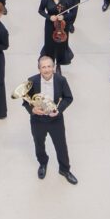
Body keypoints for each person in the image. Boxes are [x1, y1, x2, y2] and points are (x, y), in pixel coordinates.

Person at [23, 55, 76, 184]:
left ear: (53, 67)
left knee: (61, 145)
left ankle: (64, 169)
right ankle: (43, 163)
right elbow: (25, 101)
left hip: (56, 120)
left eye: (49, 66)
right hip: (37, 120)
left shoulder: (61, 80)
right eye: (43, 67)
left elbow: (68, 98)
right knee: (39, 144)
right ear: (39, 68)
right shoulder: (31, 81)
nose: (46, 70)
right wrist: (32, 110)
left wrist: (59, 110)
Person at [39, 0, 73, 69]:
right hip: (50, 25)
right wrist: (49, 17)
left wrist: (64, 17)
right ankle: (50, 64)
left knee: (61, 45)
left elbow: (72, 12)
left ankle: (59, 65)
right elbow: (40, 10)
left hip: (62, 26)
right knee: (49, 44)